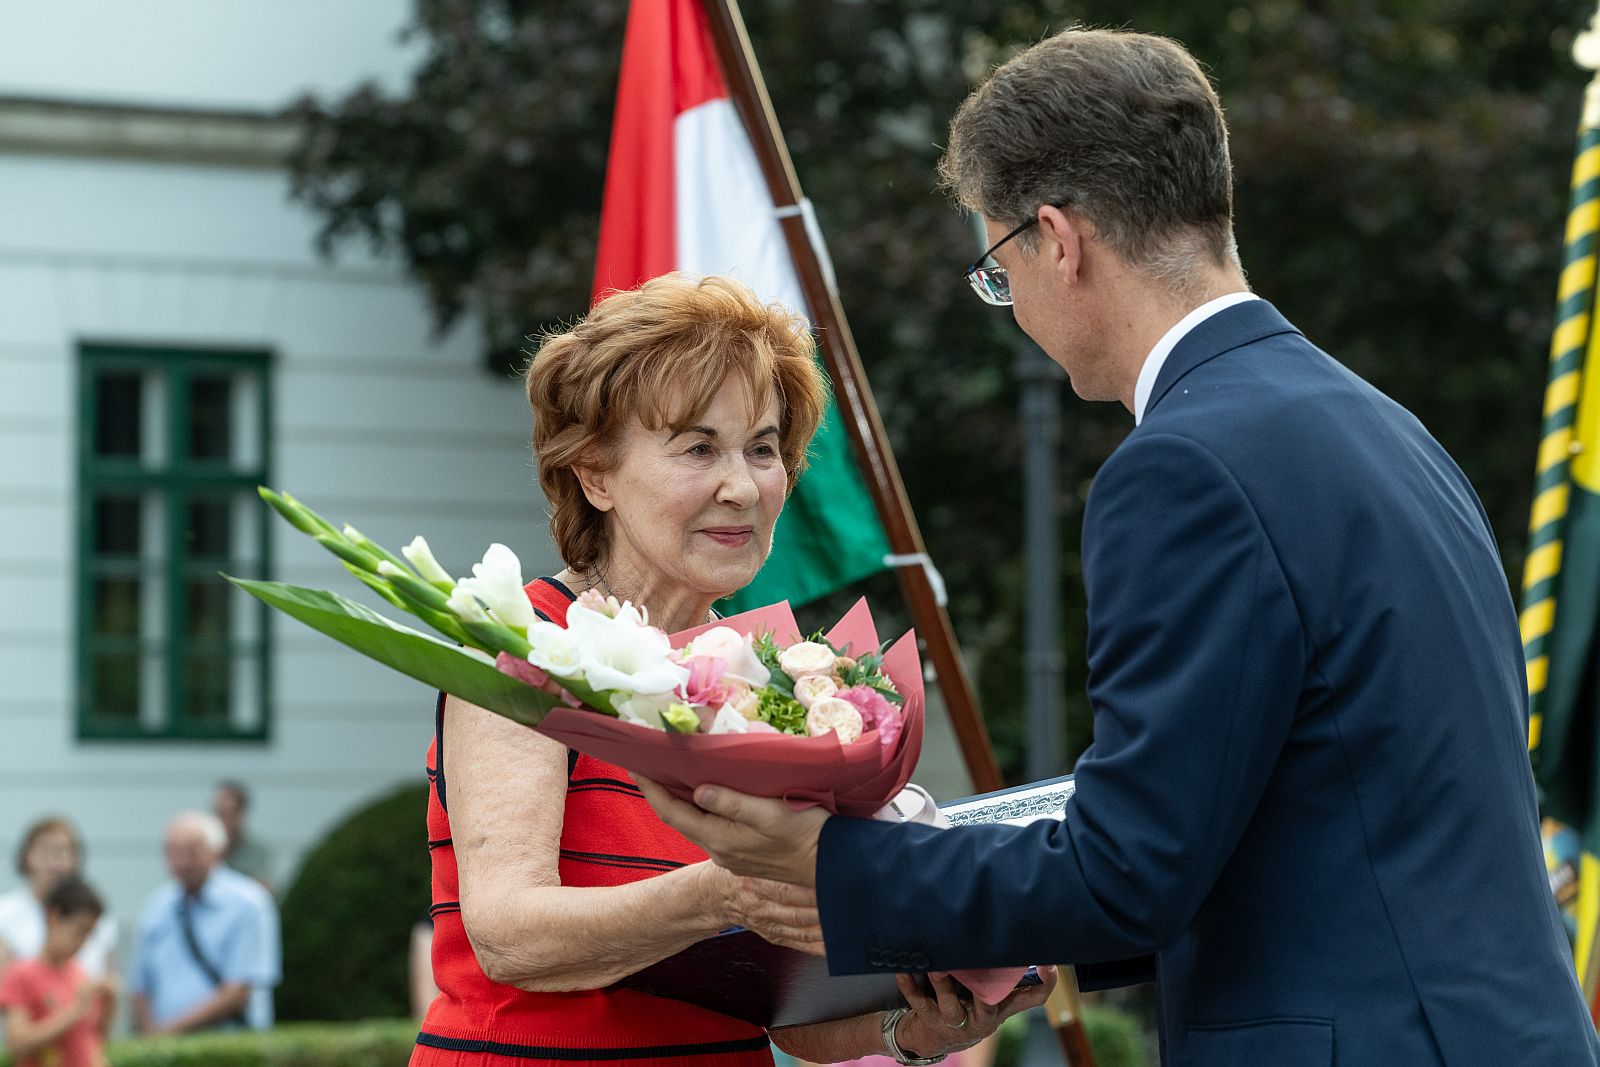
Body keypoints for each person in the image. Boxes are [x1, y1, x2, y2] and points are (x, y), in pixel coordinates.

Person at [637, 27, 1600, 1067]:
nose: (1012, 307)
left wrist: (831, 861)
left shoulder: (1183, 465)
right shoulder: (1385, 428)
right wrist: (995, 929)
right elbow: (1311, 819)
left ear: (1057, 240)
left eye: (997, 269)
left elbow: (1129, 868)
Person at [412, 274, 1052, 1066]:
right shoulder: (524, 646)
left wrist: (915, 1029)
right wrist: (721, 894)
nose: (743, 486)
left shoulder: (775, 676)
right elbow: (511, 935)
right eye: (699, 448)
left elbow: (779, 1003)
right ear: (595, 473)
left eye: (763, 448)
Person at [131, 811, 279, 1034]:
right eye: (172, 851)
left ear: (218, 851)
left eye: (192, 851)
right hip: (164, 1045)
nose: (181, 861)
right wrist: (149, 1034)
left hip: (228, 1043)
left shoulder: (249, 903)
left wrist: (168, 1032)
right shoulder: (157, 906)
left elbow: (239, 992)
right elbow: (141, 986)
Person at [0, 876, 116, 1067]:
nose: (83, 942)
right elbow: (16, 1046)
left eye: (89, 934)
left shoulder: (80, 974)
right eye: (80, 930)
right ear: (53, 917)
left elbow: (94, 1043)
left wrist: (109, 1008)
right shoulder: (20, 975)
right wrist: (76, 1009)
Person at [0, 818, 117, 979]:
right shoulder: (4, 914)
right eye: (46, 852)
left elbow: (108, 974)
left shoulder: (97, 917)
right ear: (27, 856)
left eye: (63, 852)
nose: (55, 864)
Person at [213, 780, 272, 891]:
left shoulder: (257, 851)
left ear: (242, 813)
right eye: (220, 812)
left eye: (230, 812)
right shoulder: (205, 849)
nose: (223, 819)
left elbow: (263, 889)